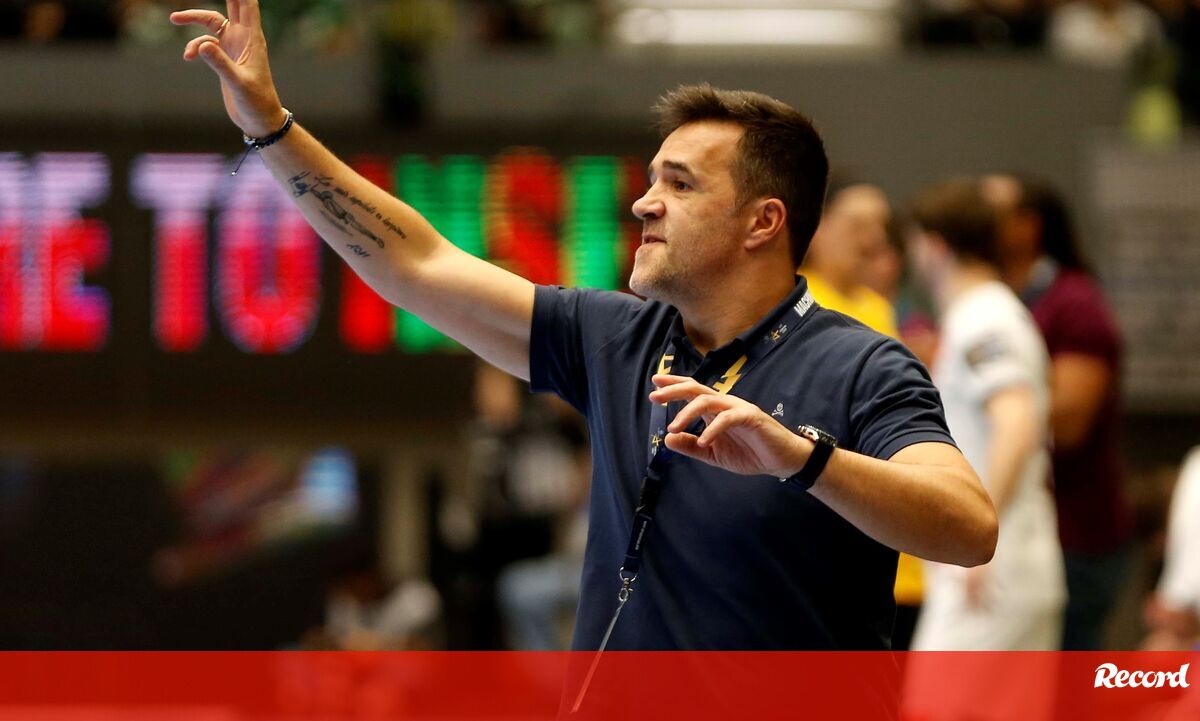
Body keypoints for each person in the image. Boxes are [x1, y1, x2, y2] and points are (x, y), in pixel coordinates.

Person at [170, 0, 997, 655]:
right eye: (651, 179)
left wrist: (798, 456)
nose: (643, 203)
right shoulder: (616, 336)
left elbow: (967, 525)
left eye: (679, 185)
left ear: (762, 222)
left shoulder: (863, 365)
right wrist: (270, 128)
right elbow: (414, 263)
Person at [903, 178, 1065, 721]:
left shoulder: (982, 319)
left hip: (991, 569)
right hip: (1011, 563)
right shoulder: (991, 315)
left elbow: (1016, 422)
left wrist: (978, 529)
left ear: (935, 245)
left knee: (930, 710)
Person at [984, 173, 1135, 651]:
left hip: (1075, 537)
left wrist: (994, 393)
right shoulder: (993, 300)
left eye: (989, 210)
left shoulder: (1075, 302)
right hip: (1022, 532)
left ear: (1028, 226)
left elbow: (1069, 423)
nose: (974, 219)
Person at [802, 181, 899, 338]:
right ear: (817, 229)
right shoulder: (797, 302)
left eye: (881, 227)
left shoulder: (878, 307)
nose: (873, 240)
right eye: (858, 226)